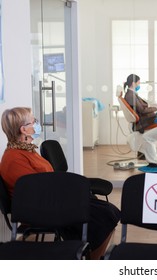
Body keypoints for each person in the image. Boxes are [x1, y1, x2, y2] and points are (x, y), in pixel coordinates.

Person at [0, 107, 120, 260]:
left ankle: (90, 256)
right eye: (34, 121)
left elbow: (46, 182)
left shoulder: (26, 151)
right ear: (24, 129)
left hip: (50, 200)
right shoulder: (14, 158)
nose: (37, 124)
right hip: (41, 208)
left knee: (107, 212)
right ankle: (90, 258)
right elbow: (35, 190)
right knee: (103, 215)